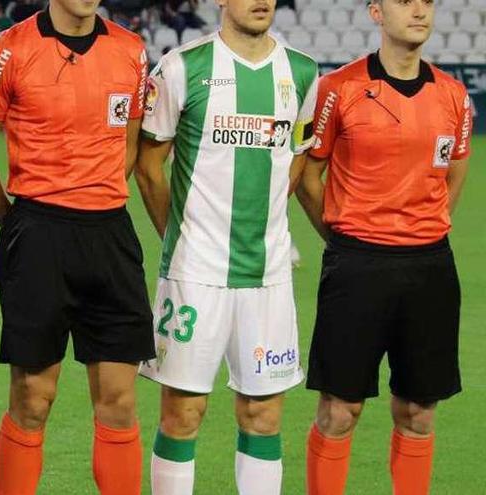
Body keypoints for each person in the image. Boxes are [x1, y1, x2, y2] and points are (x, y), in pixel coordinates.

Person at [135, 0, 318, 492]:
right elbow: (149, 167)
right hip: (195, 274)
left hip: (268, 275)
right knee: (182, 413)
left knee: (263, 415)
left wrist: (269, 221)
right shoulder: (180, 68)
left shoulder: (302, 72)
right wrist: (180, 235)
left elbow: (296, 157)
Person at [0, 0, 152, 493]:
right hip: (38, 233)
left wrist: (97, 191)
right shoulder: (10, 49)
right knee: (33, 396)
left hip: (110, 234)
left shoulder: (132, 50)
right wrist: (15, 223)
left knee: (119, 399)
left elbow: (130, 144)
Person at [296, 1, 472, 494]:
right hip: (357, 266)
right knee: (339, 409)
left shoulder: (454, 95)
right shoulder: (339, 89)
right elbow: (310, 175)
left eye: (428, 2)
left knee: (419, 411)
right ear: (376, 12)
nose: (419, 10)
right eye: (403, 0)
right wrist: (344, 240)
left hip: (430, 266)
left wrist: (427, 225)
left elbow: (455, 166)